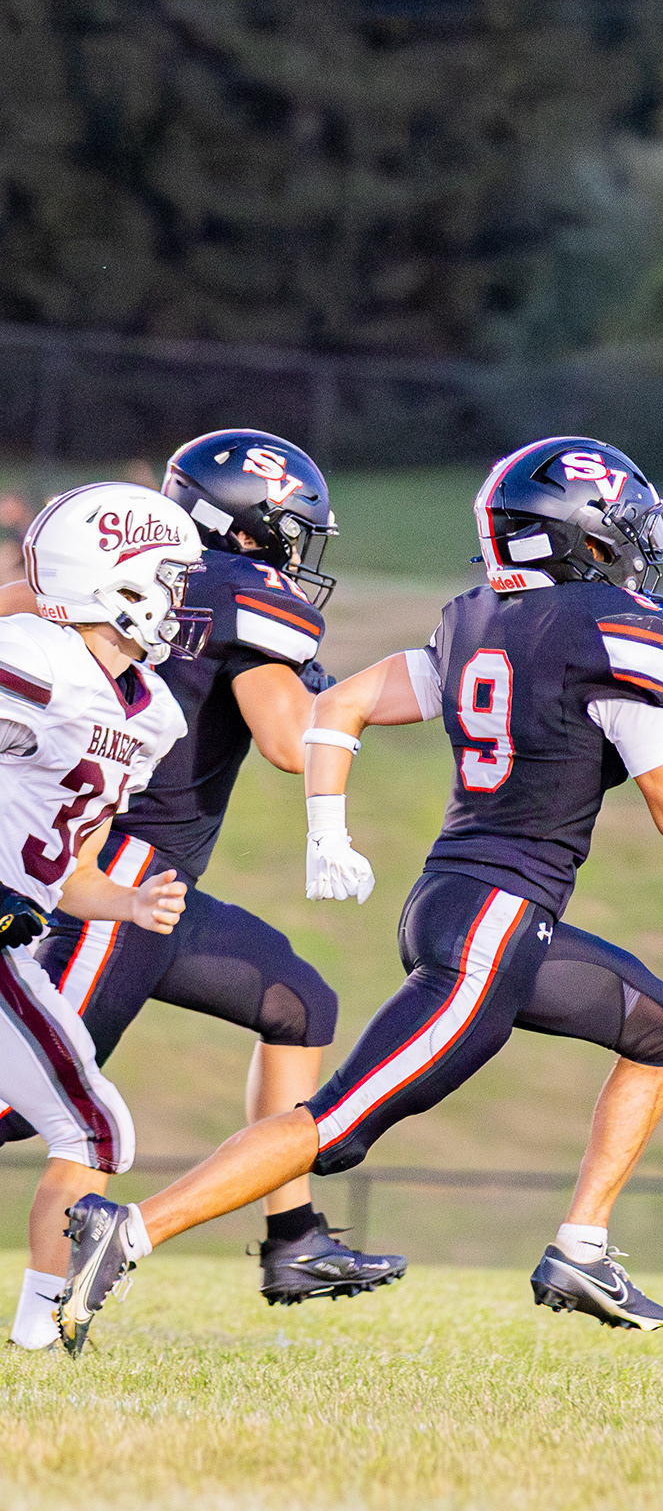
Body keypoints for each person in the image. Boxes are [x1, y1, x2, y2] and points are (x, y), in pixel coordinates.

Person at [55, 437, 663, 1353]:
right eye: (625, 532)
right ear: (585, 537)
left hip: (466, 907)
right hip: (492, 927)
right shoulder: (604, 647)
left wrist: (329, 828)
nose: (638, 551)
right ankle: (130, 1231)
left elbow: (344, 704)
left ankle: (581, 1248)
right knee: (337, 1125)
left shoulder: (479, 624)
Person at [0, 432, 401, 1317]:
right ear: (254, 526)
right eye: (292, 531)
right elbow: (291, 743)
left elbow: (15, 604)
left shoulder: (112, 573)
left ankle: (294, 1239)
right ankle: (48, 1311)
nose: (298, 551)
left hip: (153, 883)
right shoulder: (249, 591)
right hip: (114, 873)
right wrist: (355, 700)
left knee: (298, 1003)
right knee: (37, 1106)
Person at [0, 483, 197, 1350]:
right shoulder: (32, 659)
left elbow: (68, 868)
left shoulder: (150, 713)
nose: (181, 600)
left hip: (13, 937)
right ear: (119, 583)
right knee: (91, 1125)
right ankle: (41, 1331)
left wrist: (126, 901)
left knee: (93, 1128)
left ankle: (39, 1332)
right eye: (171, 579)